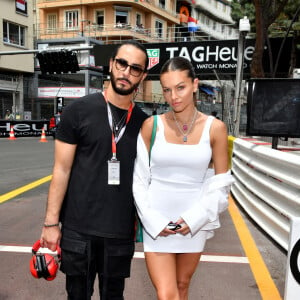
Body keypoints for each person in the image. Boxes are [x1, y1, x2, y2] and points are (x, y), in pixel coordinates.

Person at [40, 40, 149, 300]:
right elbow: (62, 170)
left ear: (142, 76)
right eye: (122, 63)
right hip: (79, 230)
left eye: (135, 68)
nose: (126, 72)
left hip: (120, 231)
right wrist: (51, 224)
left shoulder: (145, 124)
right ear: (111, 64)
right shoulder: (78, 111)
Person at [133, 56, 234, 300]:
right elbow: (139, 181)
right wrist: (154, 221)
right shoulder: (150, 126)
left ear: (195, 84)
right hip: (157, 223)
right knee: (167, 294)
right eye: (167, 90)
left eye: (180, 87)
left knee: (182, 286)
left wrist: (195, 218)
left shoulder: (216, 128)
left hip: (194, 222)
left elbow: (221, 185)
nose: (173, 96)